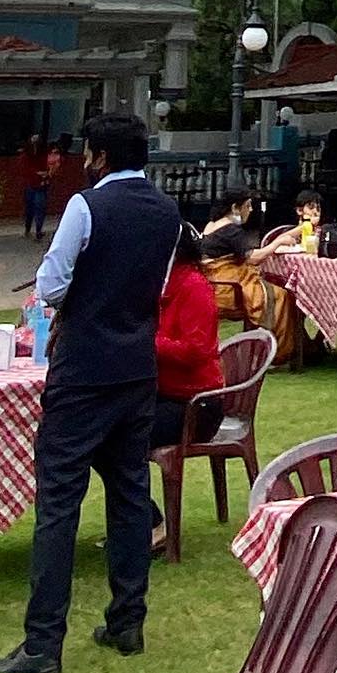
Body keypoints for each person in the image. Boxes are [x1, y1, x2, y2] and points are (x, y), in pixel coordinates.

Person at [0, 114, 180, 673]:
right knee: (129, 494)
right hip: (136, 368)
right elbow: (158, 286)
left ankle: (43, 642)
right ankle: (127, 620)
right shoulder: (168, 212)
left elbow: (49, 286)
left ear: (99, 156)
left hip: (83, 369)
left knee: (58, 503)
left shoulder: (85, 206)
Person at [147, 223, 222, 557]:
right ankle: (140, 521)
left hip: (196, 405)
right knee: (97, 432)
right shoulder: (158, 284)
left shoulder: (193, 286)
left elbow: (197, 350)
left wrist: (147, 343)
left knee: (119, 438)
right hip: (163, 395)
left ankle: (150, 525)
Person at [199, 187, 301, 365]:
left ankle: (294, 347)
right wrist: (277, 243)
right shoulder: (231, 230)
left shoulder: (211, 225)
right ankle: (279, 352)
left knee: (273, 290)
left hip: (213, 284)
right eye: (248, 205)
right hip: (227, 289)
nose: (251, 210)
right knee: (282, 296)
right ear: (235, 207)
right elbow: (253, 258)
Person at [20, 135, 51, 242]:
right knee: (32, 208)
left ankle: (37, 230)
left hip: (40, 185)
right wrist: (39, 173)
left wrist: (45, 173)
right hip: (33, 184)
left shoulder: (42, 155)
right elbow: (25, 169)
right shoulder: (27, 156)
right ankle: (29, 229)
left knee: (39, 208)